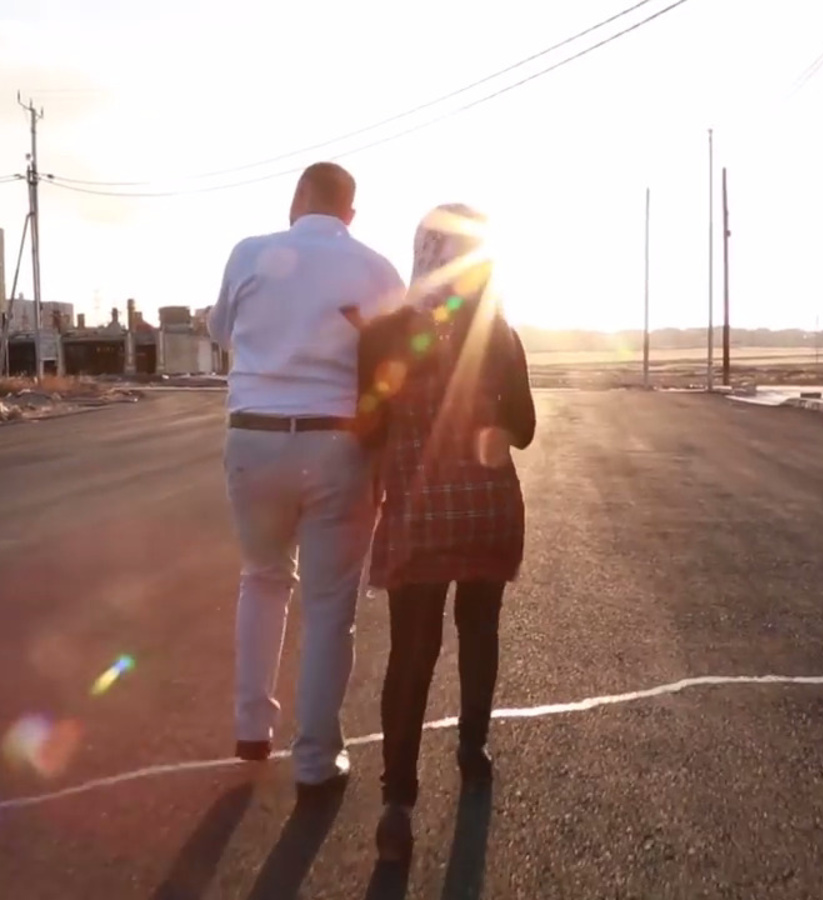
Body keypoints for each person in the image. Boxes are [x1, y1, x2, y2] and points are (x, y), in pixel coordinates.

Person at [208, 161, 406, 796]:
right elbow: (398, 353)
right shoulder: (377, 269)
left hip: (253, 435)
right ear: (351, 213)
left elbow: (219, 330)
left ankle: (251, 729)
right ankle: (317, 760)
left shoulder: (249, 253)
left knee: (263, 579)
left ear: (298, 197)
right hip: (337, 443)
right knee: (328, 608)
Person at [354, 203, 536, 861]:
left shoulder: (383, 336)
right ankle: (472, 746)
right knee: (479, 629)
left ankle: (397, 805)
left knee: (412, 649)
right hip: (488, 510)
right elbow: (525, 428)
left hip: (418, 516)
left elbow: (367, 430)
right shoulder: (499, 334)